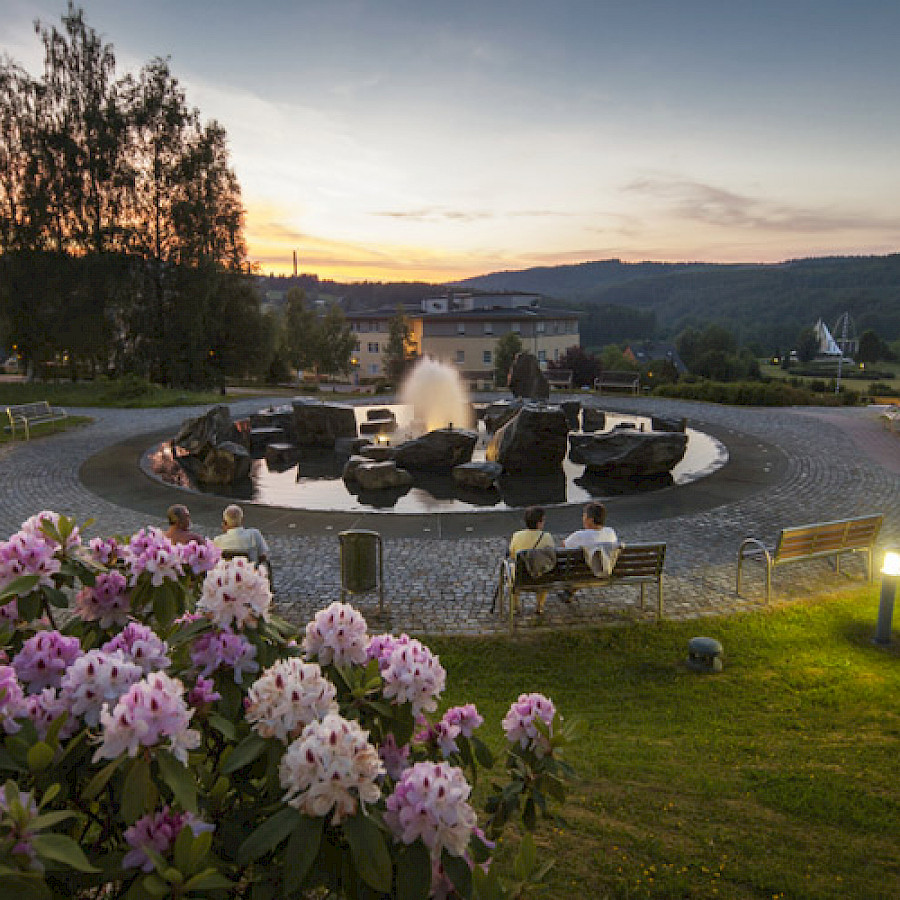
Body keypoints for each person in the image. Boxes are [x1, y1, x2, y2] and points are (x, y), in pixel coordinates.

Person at [560, 501, 620, 601]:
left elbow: (564, 547)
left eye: (584, 516)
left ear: (590, 520)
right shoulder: (610, 532)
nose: (583, 519)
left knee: (578, 564)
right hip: (608, 570)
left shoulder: (580, 535)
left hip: (585, 574)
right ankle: (569, 592)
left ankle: (569, 591)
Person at [508, 506, 555, 616]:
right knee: (544, 568)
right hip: (541, 577)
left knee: (512, 568)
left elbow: (512, 555)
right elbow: (551, 557)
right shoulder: (547, 537)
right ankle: (540, 605)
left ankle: (515, 605)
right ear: (539, 523)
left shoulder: (517, 535)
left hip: (521, 577)